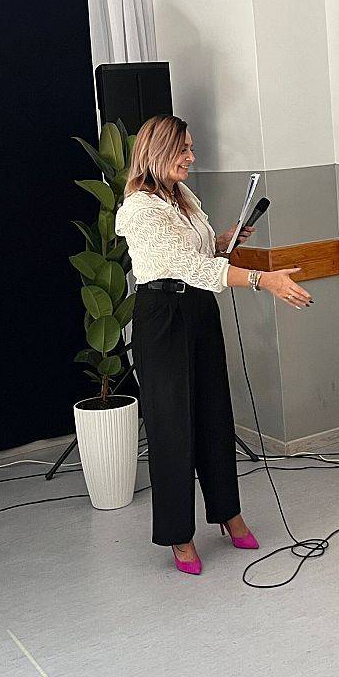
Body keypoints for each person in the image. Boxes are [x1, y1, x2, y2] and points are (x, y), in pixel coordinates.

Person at [115, 115, 312, 575]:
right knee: (171, 425)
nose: (191, 157)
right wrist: (262, 280)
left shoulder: (182, 196)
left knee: (214, 412)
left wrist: (224, 240)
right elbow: (185, 266)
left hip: (199, 310)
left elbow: (200, 257)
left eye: (190, 148)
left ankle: (227, 512)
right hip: (162, 317)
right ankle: (178, 534)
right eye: (183, 149)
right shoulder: (139, 209)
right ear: (158, 151)